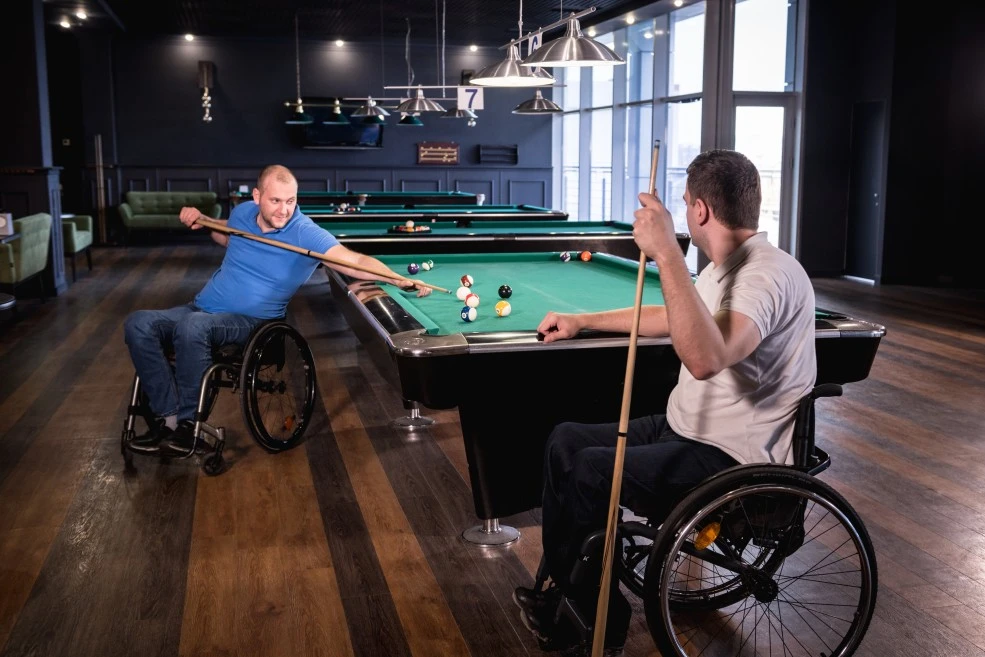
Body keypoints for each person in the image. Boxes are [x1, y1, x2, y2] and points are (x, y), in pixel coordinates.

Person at [514, 149, 817, 656]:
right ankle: (568, 593)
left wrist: (667, 255)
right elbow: (673, 315)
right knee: (565, 440)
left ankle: (595, 622)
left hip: (730, 456)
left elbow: (705, 358)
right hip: (685, 429)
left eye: (684, 202)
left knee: (591, 471)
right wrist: (581, 321)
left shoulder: (766, 275)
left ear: (699, 210)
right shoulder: (726, 267)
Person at [123, 164, 431, 456]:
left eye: (290, 201)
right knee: (139, 323)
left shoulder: (305, 233)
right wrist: (202, 220)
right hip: (199, 307)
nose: (284, 210)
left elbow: (354, 261)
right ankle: (170, 420)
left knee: (193, 327)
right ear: (257, 197)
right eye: (275, 201)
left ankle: (189, 427)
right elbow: (228, 237)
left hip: (253, 323)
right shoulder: (243, 213)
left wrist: (395, 277)